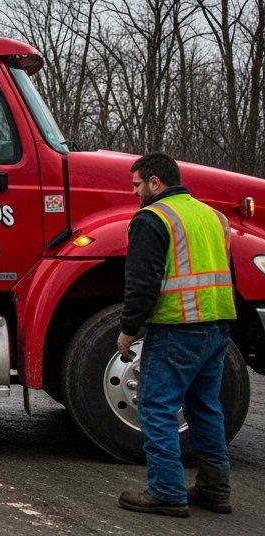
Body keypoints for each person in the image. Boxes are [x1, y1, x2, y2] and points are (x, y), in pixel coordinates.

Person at [116, 152, 236, 517]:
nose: (135, 193)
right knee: (205, 408)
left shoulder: (152, 218)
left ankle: (167, 492)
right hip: (217, 326)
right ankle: (215, 489)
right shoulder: (211, 216)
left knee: (156, 408)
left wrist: (128, 329)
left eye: (137, 184)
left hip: (177, 328)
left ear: (155, 182)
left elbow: (142, 283)